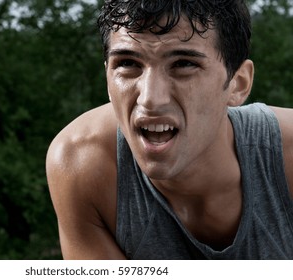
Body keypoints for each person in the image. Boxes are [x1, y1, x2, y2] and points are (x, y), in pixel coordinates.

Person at [46, 0, 293, 259]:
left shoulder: (285, 159)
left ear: (238, 84)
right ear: (108, 78)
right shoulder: (83, 162)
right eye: (128, 63)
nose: (150, 99)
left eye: (184, 64)